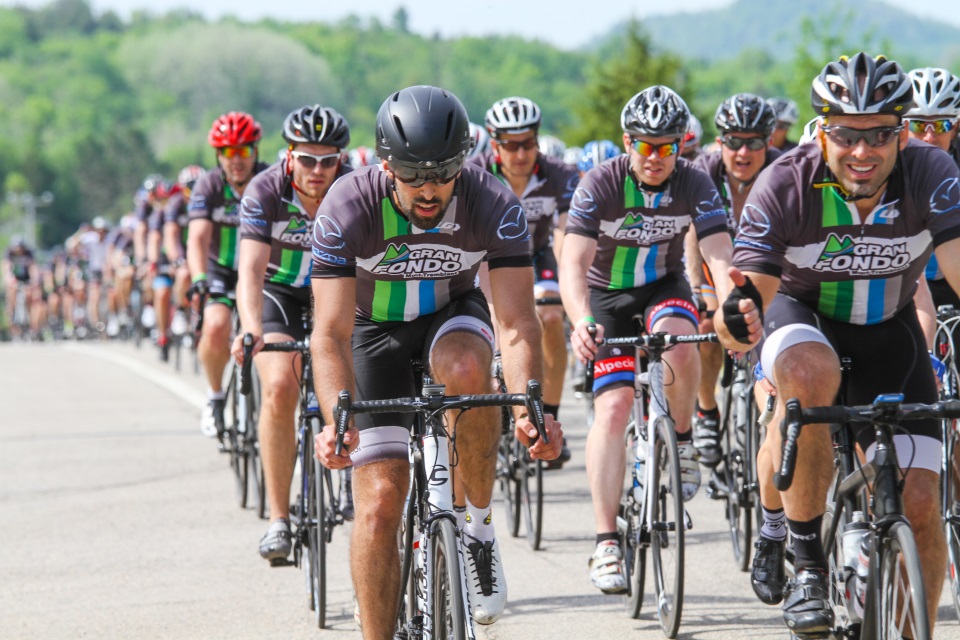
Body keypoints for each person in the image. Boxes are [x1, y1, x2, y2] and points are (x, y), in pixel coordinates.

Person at [714, 52, 959, 636]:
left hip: (890, 332)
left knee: (922, 506)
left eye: (880, 134)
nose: (863, 150)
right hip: (805, 319)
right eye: (847, 133)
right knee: (807, 372)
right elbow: (751, 300)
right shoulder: (785, 183)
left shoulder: (932, 173)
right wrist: (734, 322)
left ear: (901, 133)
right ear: (822, 131)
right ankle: (807, 565)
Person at [311, 85, 563, 637]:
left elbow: (518, 323)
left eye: (444, 173)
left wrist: (531, 408)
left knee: (472, 372)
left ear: (465, 162)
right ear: (385, 166)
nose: (429, 189)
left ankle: (476, 528)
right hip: (372, 333)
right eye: (412, 174)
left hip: (451, 314)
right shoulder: (346, 208)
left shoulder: (493, 202)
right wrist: (337, 418)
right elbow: (328, 332)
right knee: (379, 504)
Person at [560, 85, 733, 594]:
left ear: (681, 145)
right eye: (645, 145)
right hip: (606, 295)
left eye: (667, 146)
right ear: (626, 143)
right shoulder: (601, 183)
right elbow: (572, 262)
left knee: (680, 340)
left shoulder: (695, 182)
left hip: (663, 284)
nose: (656, 157)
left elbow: (719, 252)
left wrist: (730, 306)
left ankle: (680, 441)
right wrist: (578, 319)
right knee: (613, 410)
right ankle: (607, 541)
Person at [232, 104, 353, 563]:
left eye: (328, 160)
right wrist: (248, 328)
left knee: (349, 372)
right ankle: (278, 518)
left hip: (338, 291)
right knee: (280, 385)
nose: (318, 170)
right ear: (288, 158)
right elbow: (251, 270)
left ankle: (348, 470)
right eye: (307, 159)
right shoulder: (265, 191)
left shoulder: (354, 186)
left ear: (341, 159)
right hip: (280, 292)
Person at [473, 96, 579, 467]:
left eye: (528, 143)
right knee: (496, 322)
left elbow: (567, 238)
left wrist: (570, 291)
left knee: (549, 317)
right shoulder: (476, 174)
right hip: (488, 260)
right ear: (494, 141)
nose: (521, 154)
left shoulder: (561, 175)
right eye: (510, 144)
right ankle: (499, 389)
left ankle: (545, 413)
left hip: (538, 255)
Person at [687, 93, 780, 469]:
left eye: (754, 142)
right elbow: (692, 238)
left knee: (772, 329)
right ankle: (707, 410)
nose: (744, 152)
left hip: (765, 269)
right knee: (709, 326)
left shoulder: (781, 171)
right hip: (713, 266)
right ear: (719, 141)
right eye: (734, 141)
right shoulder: (702, 173)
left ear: (768, 142)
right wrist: (699, 292)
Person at [187, 112, 269, 437]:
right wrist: (197, 279)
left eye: (244, 152)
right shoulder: (209, 185)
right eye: (229, 153)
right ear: (218, 156)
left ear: (255, 152)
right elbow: (197, 238)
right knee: (217, 324)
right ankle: (216, 397)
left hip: (263, 268)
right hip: (220, 268)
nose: (237, 160)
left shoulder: (268, 180)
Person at [905, 68, 960, 311]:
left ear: (955, 127)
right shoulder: (884, 167)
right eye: (918, 124)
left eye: (940, 125)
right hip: (901, 283)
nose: (928, 137)